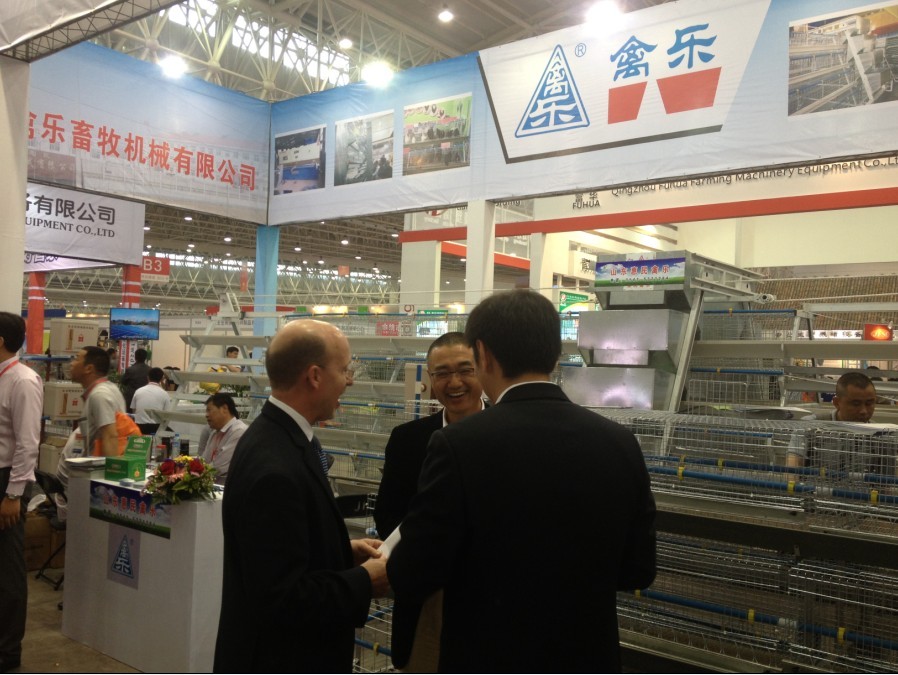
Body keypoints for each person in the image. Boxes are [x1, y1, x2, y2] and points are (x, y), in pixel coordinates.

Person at [387, 290, 657, 673]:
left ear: (483, 354)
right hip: (586, 655)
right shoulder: (619, 442)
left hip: (489, 655)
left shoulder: (458, 445)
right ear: (555, 354)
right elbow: (638, 570)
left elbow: (415, 571)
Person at [214, 319, 389, 673]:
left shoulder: (277, 437)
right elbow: (282, 599)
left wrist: (341, 551)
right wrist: (365, 580)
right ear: (315, 376)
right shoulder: (275, 467)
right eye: (345, 370)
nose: (350, 381)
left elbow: (280, 553)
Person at [374, 331, 485, 672]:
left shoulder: (511, 435)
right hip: (425, 598)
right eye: (442, 373)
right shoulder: (407, 441)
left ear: (483, 370)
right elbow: (388, 515)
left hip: (490, 596)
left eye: (465, 370)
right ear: (431, 380)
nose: (455, 382)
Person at [0, 312, 43, 673]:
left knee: (8, 571)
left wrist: (14, 495)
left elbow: (28, 444)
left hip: (7, 482)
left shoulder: (24, 381)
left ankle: (7, 654)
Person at [787, 372, 882, 471]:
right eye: (856, 404)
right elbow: (793, 464)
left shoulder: (880, 433)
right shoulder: (810, 425)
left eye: (869, 403)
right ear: (837, 403)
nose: (864, 411)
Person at [70, 346, 127, 457]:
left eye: (77, 359)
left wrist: (111, 467)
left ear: (88, 368)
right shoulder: (109, 388)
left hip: (100, 467)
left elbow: (110, 436)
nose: (72, 364)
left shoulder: (100, 395)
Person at [201, 393, 248, 485]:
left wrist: (195, 473)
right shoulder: (215, 433)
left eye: (209, 410)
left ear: (224, 408)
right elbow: (204, 461)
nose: (206, 415)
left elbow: (219, 468)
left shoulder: (239, 431)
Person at [130, 366, 171, 435]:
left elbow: (134, 410)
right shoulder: (164, 394)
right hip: (155, 427)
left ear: (148, 377)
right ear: (161, 379)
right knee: (172, 434)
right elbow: (166, 415)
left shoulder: (138, 391)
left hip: (139, 427)